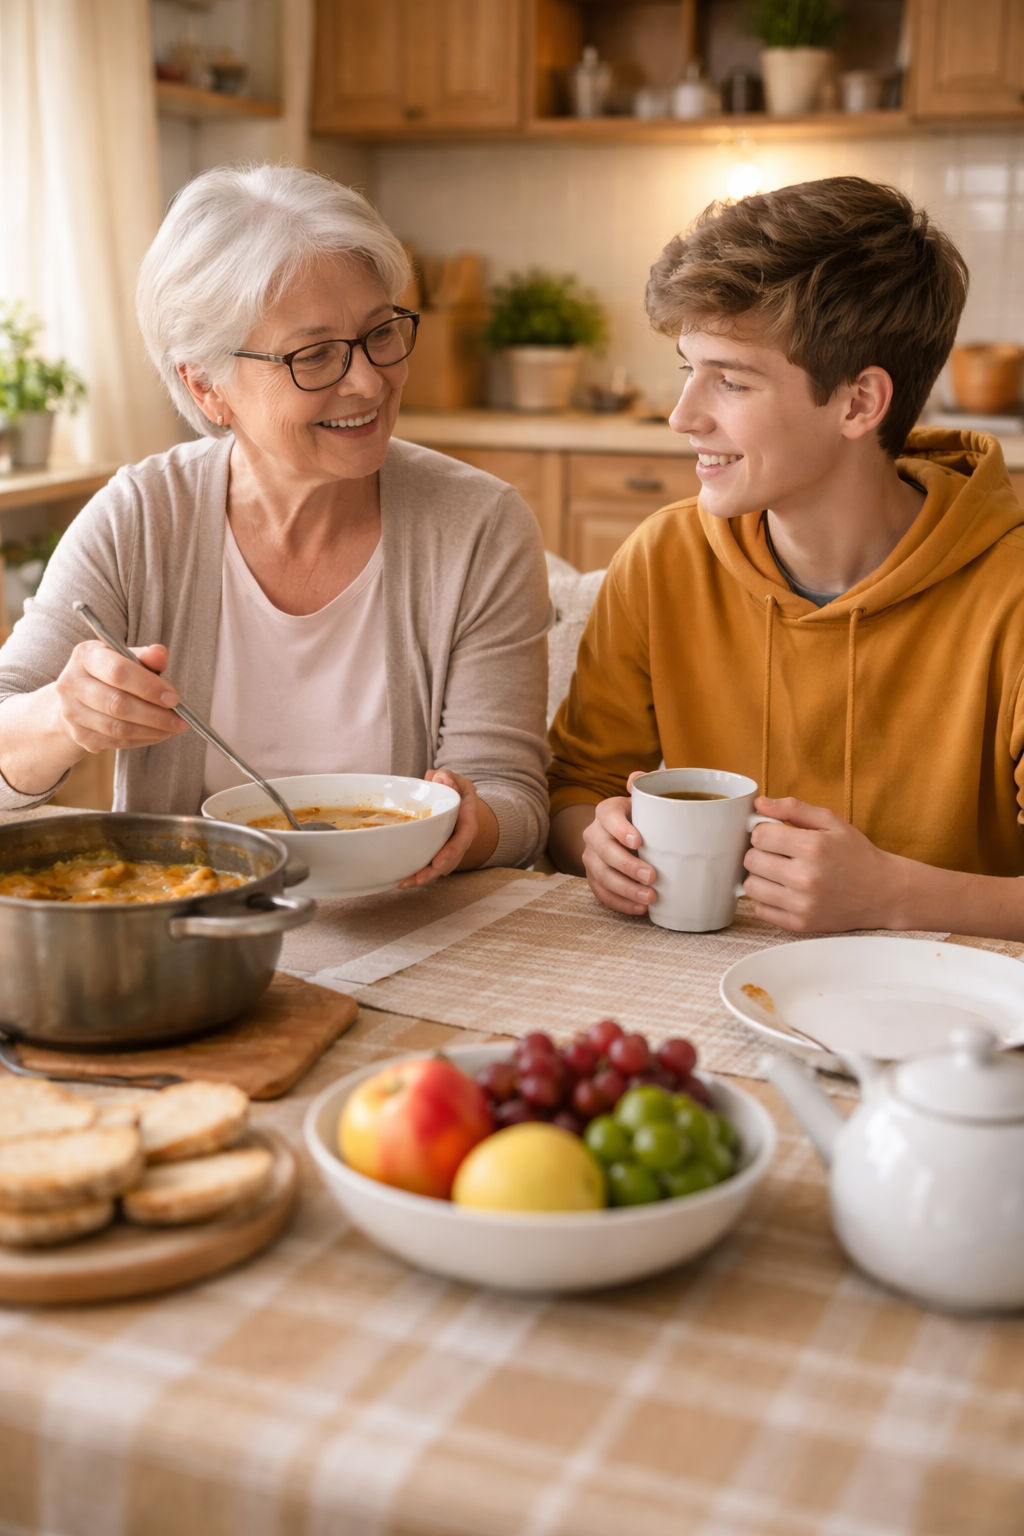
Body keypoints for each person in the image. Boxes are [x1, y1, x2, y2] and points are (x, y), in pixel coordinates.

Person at [0, 165, 551, 882]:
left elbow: (514, 800)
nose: (368, 380)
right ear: (206, 385)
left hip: (408, 932)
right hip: (192, 930)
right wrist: (62, 716)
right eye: (314, 355)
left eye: (380, 332)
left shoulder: (478, 524)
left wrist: (466, 821)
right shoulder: (141, 518)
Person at [548, 176, 1024, 940]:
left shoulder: (1012, 596)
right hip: (698, 997)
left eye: (729, 380)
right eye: (687, 369)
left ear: (859, 404)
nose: (682, 416)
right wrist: (596, 844)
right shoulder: (662, 560)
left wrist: (895, 897)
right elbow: (578, 787)